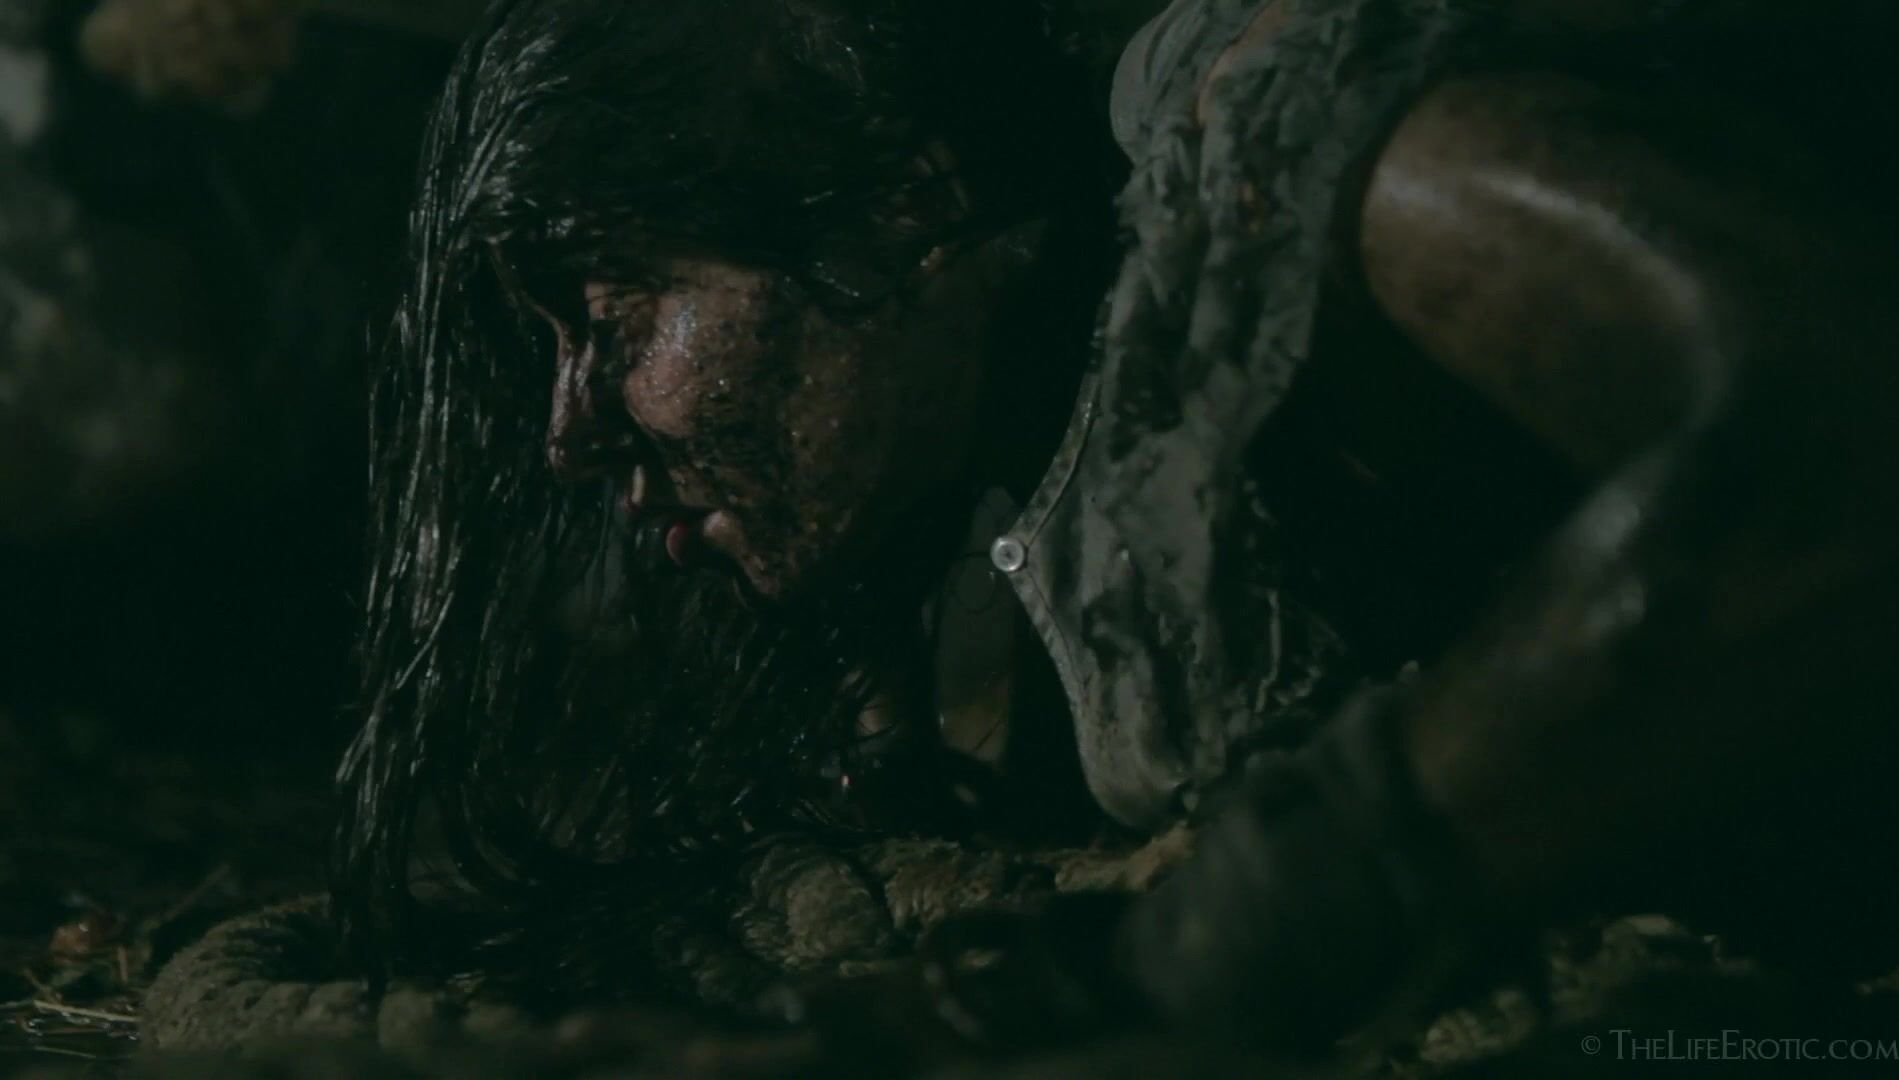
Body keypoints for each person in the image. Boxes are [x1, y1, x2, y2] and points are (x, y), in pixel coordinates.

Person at [333, 0, 1899, 1054]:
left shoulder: (1289, 147)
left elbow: (1847, 464)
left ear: (906, 205)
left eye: (613, 305)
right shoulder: (1028, 514)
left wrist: (1262, 916)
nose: (567, 429)